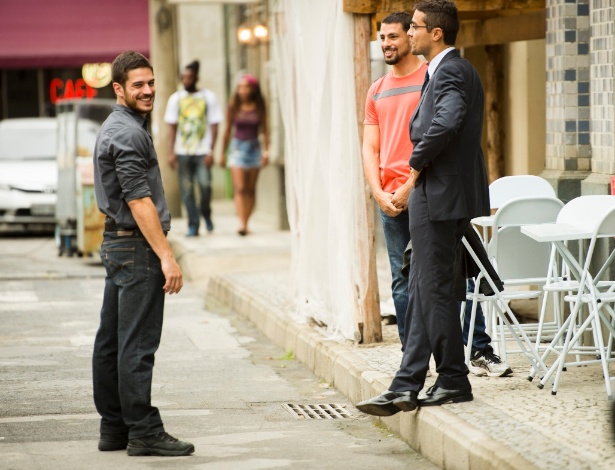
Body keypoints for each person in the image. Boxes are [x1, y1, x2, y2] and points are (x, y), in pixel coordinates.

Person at [356, 0, 491, 416]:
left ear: (435, 33)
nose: (408, 33)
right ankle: (435, 380)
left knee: (429, 289)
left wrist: (413, 169)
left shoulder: (450, 69)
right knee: (424, 287)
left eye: (413, 27)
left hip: (438, 195)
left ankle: (429, 381)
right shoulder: (449, 70)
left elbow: (447, 122)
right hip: (440, 195)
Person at [92, 51, 194, 456]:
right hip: (135, 245)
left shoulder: (120, 126)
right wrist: (167, 257)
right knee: (136, 344)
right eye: (138, 85)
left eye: (151, 82)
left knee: (112, 340)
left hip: (119, 243)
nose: (148, 90)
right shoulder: (128, 132)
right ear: (118, 88)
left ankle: (114, 427)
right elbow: (139, 200)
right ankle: (143, 431)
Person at [164, 60, 223, 236]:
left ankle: (206, 212)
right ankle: (193, 224)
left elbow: (214, 126)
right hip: (182, 153)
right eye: (183, 77)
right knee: (187, 190)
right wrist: (170, 152)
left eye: (189, 77)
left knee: (205, 186)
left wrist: (212, 150)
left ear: (196, 77)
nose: (186, 80)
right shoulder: (176, 99)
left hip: (202, 152)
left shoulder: (208, 97)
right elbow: (171, 127)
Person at [219, 74, 269, 236]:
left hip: (254, 148)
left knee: (250, 189)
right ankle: (242, 224)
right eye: (240, 87)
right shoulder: (233, 106)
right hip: (237, 148)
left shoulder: (260, 106)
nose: (242, 90)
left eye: (246, 87)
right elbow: (227, 130)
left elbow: (266, 130)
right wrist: (222, 153)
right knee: (240, 188)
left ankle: (247, 221)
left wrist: (266, 151)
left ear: (253, 89)